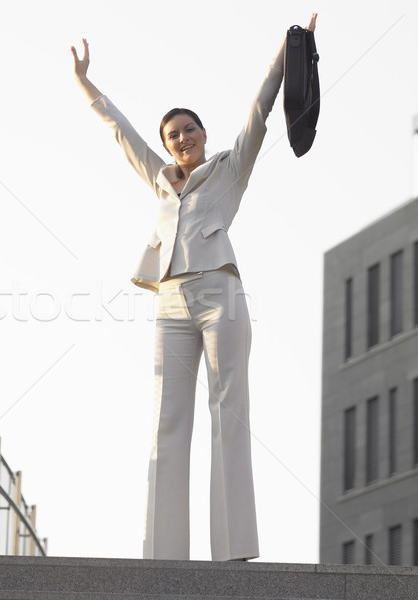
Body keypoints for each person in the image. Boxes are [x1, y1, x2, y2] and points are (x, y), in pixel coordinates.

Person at [71, 13, 317, 562]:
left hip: (220, 297)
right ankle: (163, 556)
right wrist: (86, 83)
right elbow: (119, 130)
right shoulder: (158, 178)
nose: (180, 138)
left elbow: (258, 111)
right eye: (172, 134)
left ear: (204, 135)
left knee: (229, 410)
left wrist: (288, 51)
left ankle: (232, 551)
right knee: (166, 420)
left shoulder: (229, 169)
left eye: (188, 130)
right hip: (170, 302)